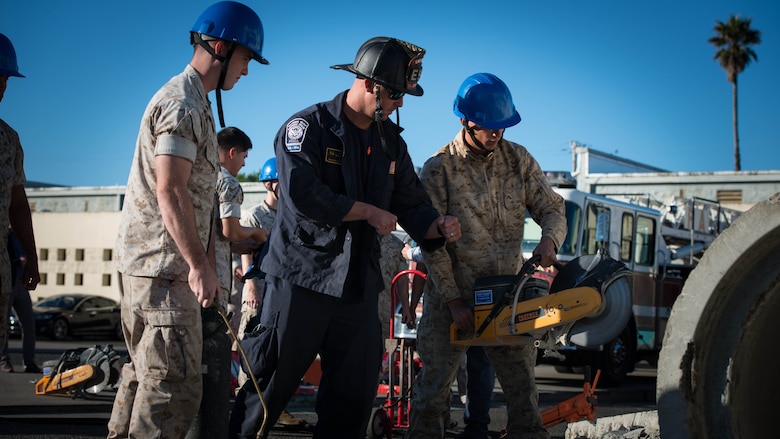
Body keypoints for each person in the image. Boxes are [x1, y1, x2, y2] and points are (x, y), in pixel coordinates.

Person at [228, 36, 461, 439]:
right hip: (301, 280)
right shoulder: (307, 128)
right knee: (268, 389)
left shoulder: (390, 143)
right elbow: (303, 194)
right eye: (396, 94)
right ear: (370, 84)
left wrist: (435, 226)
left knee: (353, 397)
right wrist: (367, 211)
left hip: (356, 287)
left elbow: (411, 202)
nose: (399, 104)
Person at [107, 2, 270, 438]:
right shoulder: (181, 104)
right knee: (171, 393)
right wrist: (200, 265)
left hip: (157, 270)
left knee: (145, 379)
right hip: (166, 273)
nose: (246, 71)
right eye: (245, 59)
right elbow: (171, 188)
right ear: (220, 47)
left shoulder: (194, 101)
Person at [405, 73, 567, 439]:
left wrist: (550, 240)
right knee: (432, 394)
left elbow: (553, 207)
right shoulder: (439, 168)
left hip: (505, 295)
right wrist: (454, 300)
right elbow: (432, 243)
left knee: (523, 394)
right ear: (466, 121)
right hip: (451, 298)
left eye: (501, 127)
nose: (495, 134)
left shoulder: (518, 160)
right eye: (488, 128)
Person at [236, 156, 306, 428]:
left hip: (284, 292)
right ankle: (246, 410)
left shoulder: (291, 214)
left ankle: (276, 409)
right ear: (269, 183)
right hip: (259, 291)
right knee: (255, 351)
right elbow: (246, 252)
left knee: (281, 352)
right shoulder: (255, 215)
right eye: (280, 180)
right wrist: (250, 285)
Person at [0, 32, 40, 360]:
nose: (2, 86)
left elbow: (18, 204)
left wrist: (32, 255)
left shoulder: (9, 139)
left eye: (5, 78)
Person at [1, 229, 40, 373]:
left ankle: (29, 362)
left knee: (29, 325)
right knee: (3, 326)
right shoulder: (5, 237)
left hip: (21, 284)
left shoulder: (22, 238)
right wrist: (18, 261)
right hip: (7, 282)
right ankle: (4, 361)